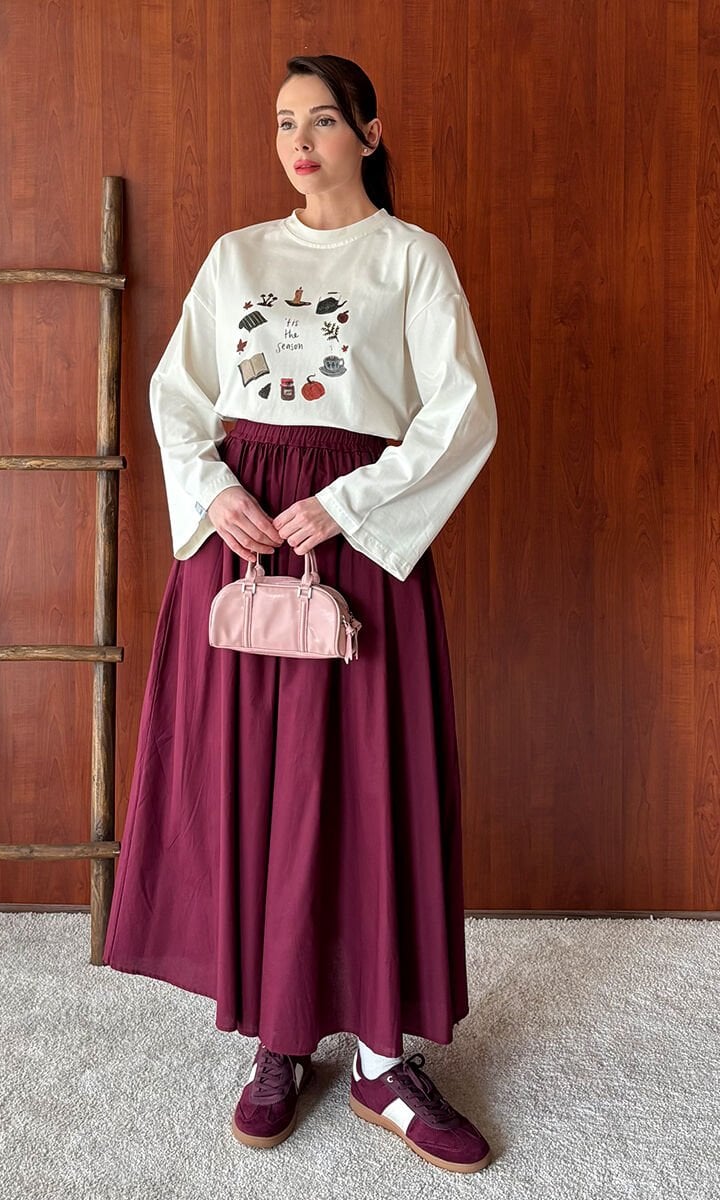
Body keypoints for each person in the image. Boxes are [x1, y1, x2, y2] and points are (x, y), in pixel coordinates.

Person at [102, 54, 498, 1175]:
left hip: (355, 547)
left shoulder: (411, 259)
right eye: (284, 123)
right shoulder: (236, 257)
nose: (300, 142)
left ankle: (378, 1057)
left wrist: (347, 503)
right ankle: (276, 1036)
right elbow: (178, 395)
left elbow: (461, 412)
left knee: (364, 788)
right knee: (255, 785)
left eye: (322, 120)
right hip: (243, 545)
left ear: (368, 132)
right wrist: (213, 491)